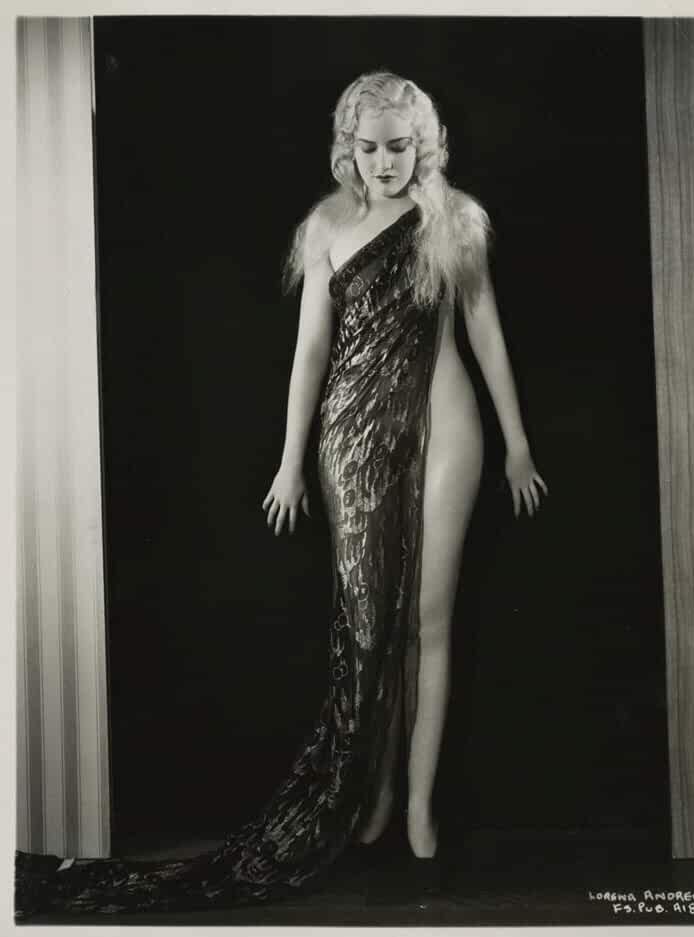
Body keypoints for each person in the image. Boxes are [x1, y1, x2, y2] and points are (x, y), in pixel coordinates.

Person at [15, 69, 547, 919]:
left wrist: (517, 442)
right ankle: (372, 794)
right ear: (348, 149)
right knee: (370, 625)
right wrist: (289, 461)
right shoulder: (328, 226)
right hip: (350, 435)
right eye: (369, 147)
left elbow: (486, 332)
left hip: (446, 420)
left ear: (424, 146)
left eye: (399, 146)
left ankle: (417, 806)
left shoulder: (454, 221)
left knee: (428, 619)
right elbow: (310, 353)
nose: (384, 162)